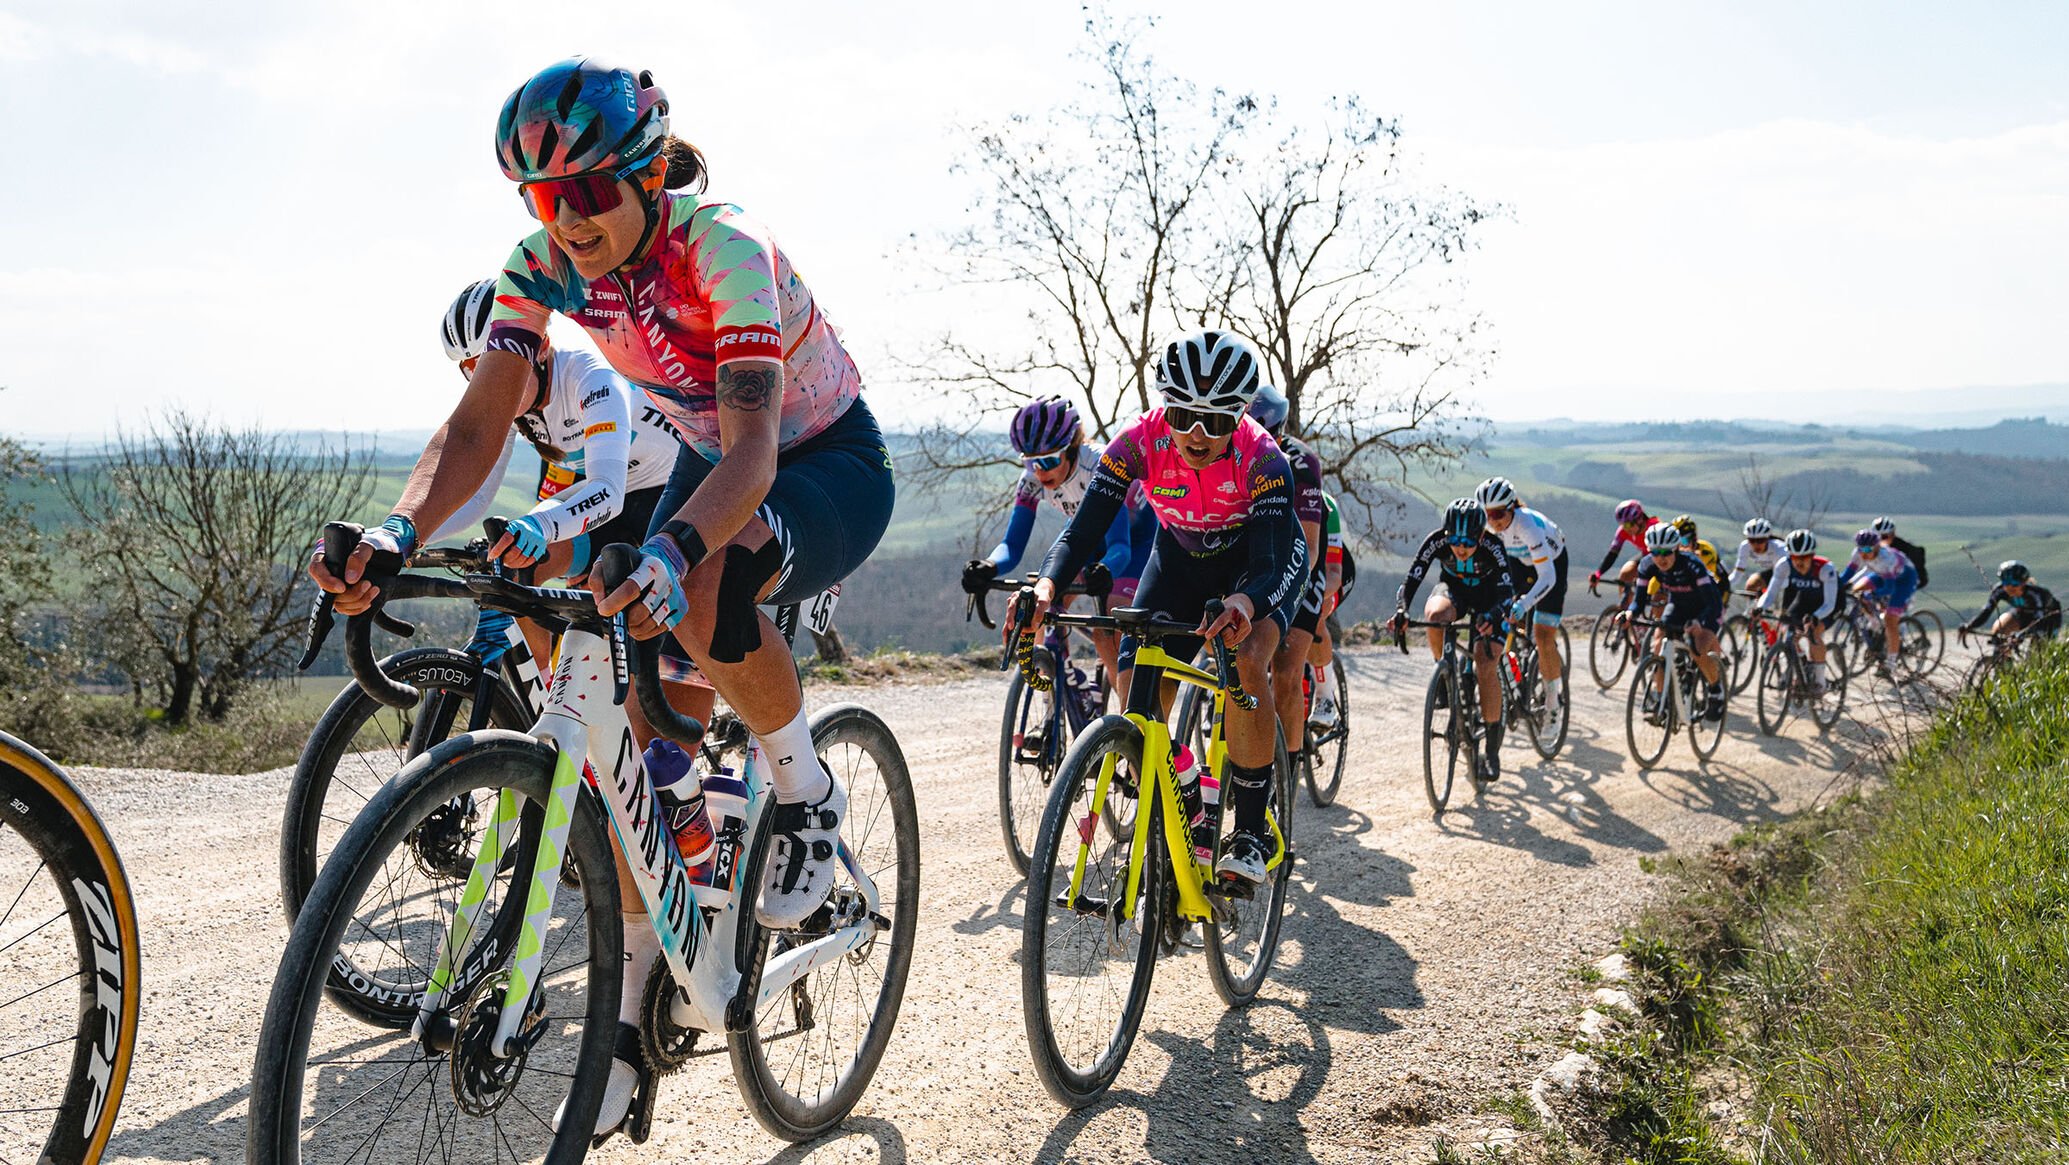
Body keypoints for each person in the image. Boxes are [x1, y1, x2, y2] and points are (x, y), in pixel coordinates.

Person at [308, 57, 895, 1139]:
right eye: (541, 197)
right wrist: (396, 531)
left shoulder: (724, 248)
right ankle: (630, 1006)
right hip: (707, 451)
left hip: (818, 458)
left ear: (646, 174)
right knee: (627, 730)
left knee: (701, 581)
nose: (564, 219)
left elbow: (755, 452)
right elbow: (478, 425)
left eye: (585, 191)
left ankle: (803, 785)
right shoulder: (540, 264)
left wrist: (673, 552)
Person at [1021, 329, 1304, 885]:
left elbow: (1271, 563)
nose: (1197, 434)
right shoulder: (1136, 444)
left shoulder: (1264, 459)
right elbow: (1081, 534)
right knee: (1139, 703)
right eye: (1183, 416)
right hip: (1178, 562)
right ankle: (1188, 790)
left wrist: (1246, 601)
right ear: (1163, 408)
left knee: (1248, 656)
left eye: (1216, 421)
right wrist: (1047, 587)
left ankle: (1251, 829)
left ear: (1240, 416)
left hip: (1256, 565)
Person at [428, 278, 718, 721]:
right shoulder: (512, 398)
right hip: (616, 508)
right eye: (473, 368)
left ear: (541, 347)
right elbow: (474, 494)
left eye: (494, 359)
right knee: (519, 563)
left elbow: (607, 491)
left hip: (675, 498)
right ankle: (551, 705)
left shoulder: (590, 377)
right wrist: (405, 538)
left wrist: (538, 524)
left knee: (661, 684)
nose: (488, 378)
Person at [961, 395, 1151, 695]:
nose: (1040, 471)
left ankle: (1127, 711)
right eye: (1030, 461)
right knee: (1037, 608)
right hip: (1086, 537)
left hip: (1137, 539)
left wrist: (1106, 570)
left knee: (1108, 632)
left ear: (1072, 447)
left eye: (1049, 461)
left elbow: (1120, 547)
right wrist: (989, 566)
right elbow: (1012, 545)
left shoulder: (1099, 464)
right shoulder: (1032, 479)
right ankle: (1056, 702)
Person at [1386, 498, 1517, 781]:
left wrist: (1493, 617)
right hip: (1455, 592)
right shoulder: (1437, 541)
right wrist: (1402, 610)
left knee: (1485, 663)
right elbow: (1411, 580)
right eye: (1454, 540)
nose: (1460, 547)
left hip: (1490, 600)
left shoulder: (1494, 546)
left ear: (1481, 536)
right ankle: (1445, 673)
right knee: (1435, 616)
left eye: (1468, 542)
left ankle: (1491, 751)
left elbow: (1508, 594)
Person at [1246, 383, 1332, 760]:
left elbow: (1310, 548)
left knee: (1285, 669)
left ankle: (1290, 768)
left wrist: (1277, 593)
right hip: (1257, 559)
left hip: (1301, 563)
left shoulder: (1302, 462)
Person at [1476, 476, 1569, 729]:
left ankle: (1552, 704)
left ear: (1512, 508)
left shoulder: (1527, 526)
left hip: (1551, 565)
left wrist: (1524, 604)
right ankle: (1517, 669)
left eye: (1498, 513)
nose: (1492, 521)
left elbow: (1547, 577)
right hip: (1518, 562)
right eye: (1487, 514)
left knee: (1542, 635)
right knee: (1503, 611)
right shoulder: (1489, 530)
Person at [1616, 522, 1727, 720]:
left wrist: (1699, 622)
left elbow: (1712, 603)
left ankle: (1715, 689)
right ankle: (1662, 702)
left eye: (1666, 552)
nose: (1661, 558)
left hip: (1706, 607)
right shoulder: (1647, 565)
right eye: (1656, 552)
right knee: (1660, 643)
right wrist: (1630, 614)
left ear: (1676, 549)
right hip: (1678, 604)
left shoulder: (1692, 565)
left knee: (1698, 649)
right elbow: (1639, 601)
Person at [1753, 529, 1839, 691]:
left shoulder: (1825, 568)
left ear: (1812, 555)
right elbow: (1771, 593)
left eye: (1804, 557)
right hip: (1804, 599)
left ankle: (1820, 681)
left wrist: (1815, 617)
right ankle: (1802, 663)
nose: (1799, 562)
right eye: (1795, 557)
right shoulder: (1784, 565)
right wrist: (1760, 608)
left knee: (1814, 633)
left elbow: (1830, 603)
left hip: (1828, 604)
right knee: (1788, 629)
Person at [1839, 530, 1918, 673]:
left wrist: (1872, 594)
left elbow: (1889, 588)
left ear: (1876, 547)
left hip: (1904, 580)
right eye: (1860, 549)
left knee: (1890, 619)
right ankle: (1875, 623)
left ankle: (1891, 663)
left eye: (1867, 550)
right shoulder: (1858, 553)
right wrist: (1837, 585)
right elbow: (1848, 574)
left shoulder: (1886, 559)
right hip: (1882, 574)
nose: (1863, 553)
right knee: (1857, 589)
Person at [1306, 491, 1353, 729]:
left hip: (1334, 573)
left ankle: (1325, 699)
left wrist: (1314, 597)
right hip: (1298, 574)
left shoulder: (1326, 506)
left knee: (1315, 613)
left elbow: (1334, 572)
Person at [1960, 561, 2061, 643]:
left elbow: (2039, 619)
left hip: (2047, 619)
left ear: (2024, 582)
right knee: (1999, 632)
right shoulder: (1999, 590)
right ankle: (2002, 658)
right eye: (2006, 582)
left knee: (2038, 648)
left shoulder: (2036, 594)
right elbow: (1986, 611)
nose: (2009, 587)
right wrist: (1969, 626)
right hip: (2022, 613)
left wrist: (2021, 634)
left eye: (2014, 583)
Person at [1589, 499, 1657, 597]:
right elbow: (1613, 554)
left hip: (1662, 556)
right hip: (1646, 555)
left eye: (1629, 524)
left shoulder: (1654, 527)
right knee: (1625, 574)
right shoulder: (1623, 531)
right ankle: (1625, 604)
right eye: (1622, 525)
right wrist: (1598, 573)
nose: (1626, 529)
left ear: (1640, 520)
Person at [1667, 515, 1732, 593]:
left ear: (1694, 539)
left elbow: (1723, 581)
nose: (1679, 547)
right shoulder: (1669, 554)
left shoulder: (1707, 551)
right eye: (1675, 542)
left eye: (1683, 541)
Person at [1729, 517, 1783, 601]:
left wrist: (1767, 592)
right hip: (1772, 571)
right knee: (1751, 586)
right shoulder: (1745, 546)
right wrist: (1725, 584)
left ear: (1767, 538)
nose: (1756, 544)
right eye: (1752, 540)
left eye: (1760, 540)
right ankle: (1752, 608)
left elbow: (1783, 576)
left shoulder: (1779, 548)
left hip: (1787, 572)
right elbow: (1737, 574)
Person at [1870, 517, 1929, 589]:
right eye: (1876, 537)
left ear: (1893, 534)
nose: (1880, 540)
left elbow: (1920, 578)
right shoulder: (1869, 547)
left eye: (1884, 537)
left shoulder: (1908, 550)